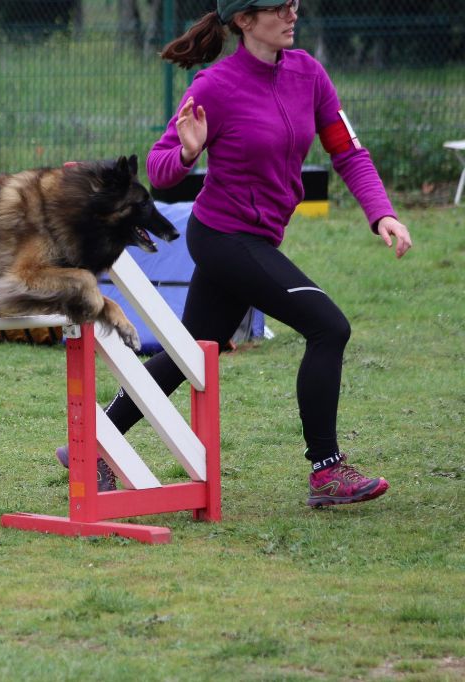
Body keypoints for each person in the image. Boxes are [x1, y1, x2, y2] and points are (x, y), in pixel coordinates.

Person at [57, 0, 413, 507]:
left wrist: (381, 212)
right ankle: (327, 472)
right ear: (244, 20)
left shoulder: (309, 74)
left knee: (190, 352)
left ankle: (90, 440)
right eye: (279, 8)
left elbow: (347, 151)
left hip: (257, 238)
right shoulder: (214, 87)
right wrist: (186, 151)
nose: (293, 14)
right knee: (329, 326)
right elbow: (159, 168)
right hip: (223, 237)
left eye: (294, 4)